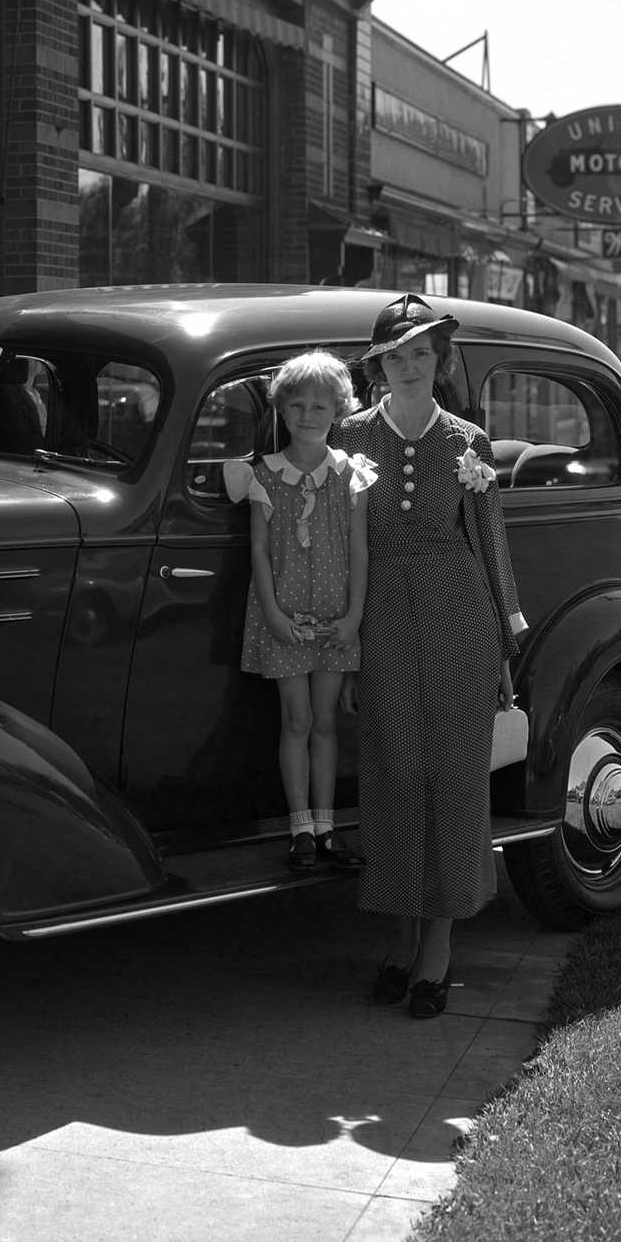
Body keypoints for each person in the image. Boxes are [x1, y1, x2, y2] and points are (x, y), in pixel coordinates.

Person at [333, 295, 526, 1020]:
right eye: (395, 355)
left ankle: (437, 948)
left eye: (422, 354)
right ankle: (400, 934)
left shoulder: (466, 440)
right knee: (394, 771)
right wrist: (343, 647)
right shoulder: (347, 434)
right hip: (379, 611)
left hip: (457, 615)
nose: (409, 366)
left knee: (450, 776)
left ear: (440, 362)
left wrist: (507, 643)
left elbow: (490, 542)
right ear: (377, 365)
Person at [224, 351, 374, 873]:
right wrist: (272, 615)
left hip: (335, 617)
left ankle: (329, 825)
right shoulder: (264, 474)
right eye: (297, 406)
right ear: (282, 412)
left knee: (327, 722)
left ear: (338, 410)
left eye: (319, 406)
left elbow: (359, 550)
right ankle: (300, 827)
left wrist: (354, 616)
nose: (308, 416)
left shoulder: (351, 476)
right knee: (297, 719)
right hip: (285, 616)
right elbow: (259, 552)